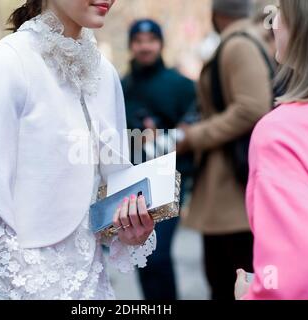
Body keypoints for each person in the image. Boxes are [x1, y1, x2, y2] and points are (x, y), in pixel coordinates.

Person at [0, 0, 156, 300]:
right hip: (22, 289)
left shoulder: (104, 73)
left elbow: (108, 194)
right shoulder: (5, 64)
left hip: (94, 289)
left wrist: (130, 229)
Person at [235, 0, 308, 300]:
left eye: (281, 8)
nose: (273, 20)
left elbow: (301, 281)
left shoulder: (282, 134)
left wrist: (253, 295)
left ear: (306, 25)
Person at [177, 0, 273, 300]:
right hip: (230, 187)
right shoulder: (245, 40)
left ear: (217, 14)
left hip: (233, 190)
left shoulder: (238, 45)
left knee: (230, 283)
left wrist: (194, 136)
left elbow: (252, 107)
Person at [121, 19, 197, 300]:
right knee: (141, 252)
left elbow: (194, 127)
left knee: (158, 253)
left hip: (170, 182)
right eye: (139, 41)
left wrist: (165, 139)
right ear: (131, 45)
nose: (144, 47)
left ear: (160, 44)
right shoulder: (121, 86)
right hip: (133, 182)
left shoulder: (182, 85)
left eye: (150, 40)